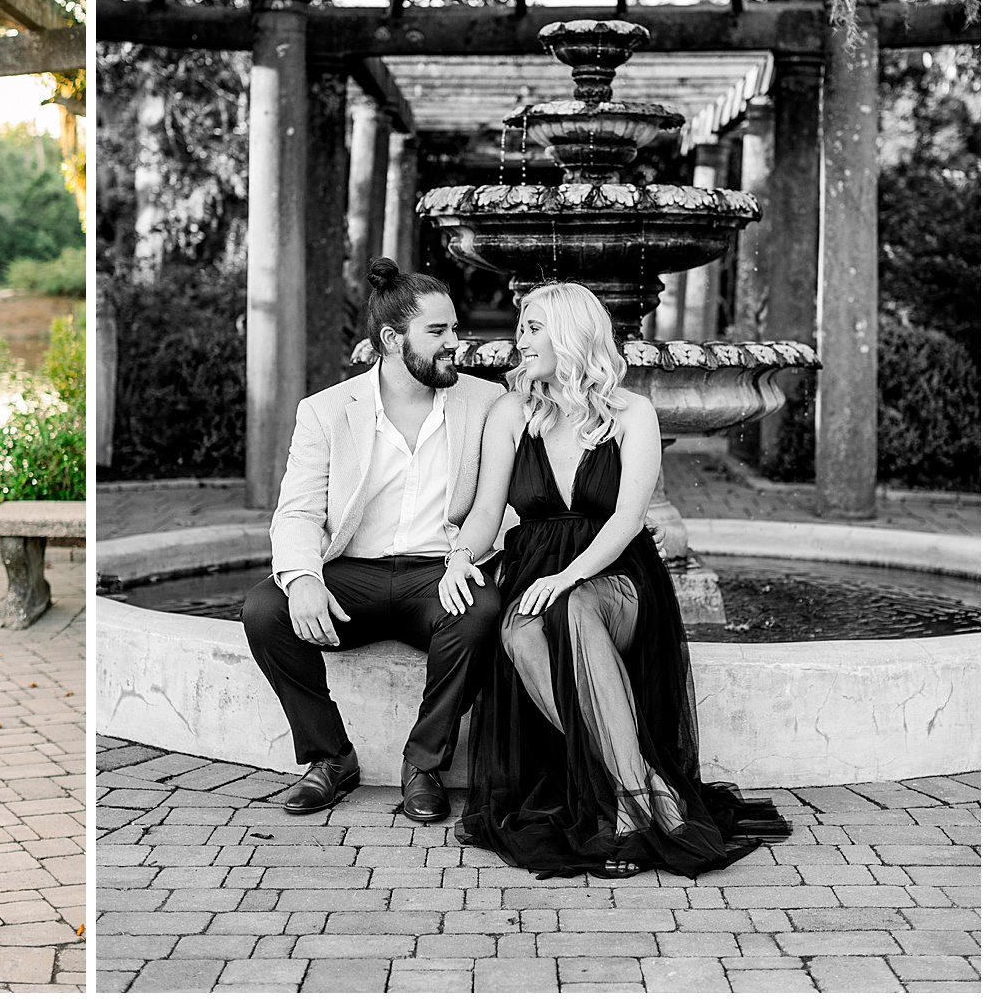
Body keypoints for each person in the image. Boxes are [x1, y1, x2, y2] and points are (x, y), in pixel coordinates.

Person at [449, 281, 788, 878]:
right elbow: (484, 515)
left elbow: (630, 518)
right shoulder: (510, 412)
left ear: (571, 337)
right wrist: (459, 557)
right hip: (536, 573)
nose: (518, 341)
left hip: (617, 577)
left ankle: (627, 802)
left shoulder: (633, 413)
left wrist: (568, 576)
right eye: (521, 328)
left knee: (574, 608)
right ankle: (642, 787)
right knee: (520, 631)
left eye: (531, 329)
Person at [241, 258, 510, 821]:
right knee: (265, 608)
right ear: (391, 339)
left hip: (439, 574)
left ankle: (424, 766)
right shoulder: (327, 411)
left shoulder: (485, 404)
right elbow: (296, 511)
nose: (453, 343)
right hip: (353, 574)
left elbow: (500, 505)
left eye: (455, 329)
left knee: (482, 611)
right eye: (437, 332)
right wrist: (303, 578)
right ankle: (331, 759)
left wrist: (469, 558)